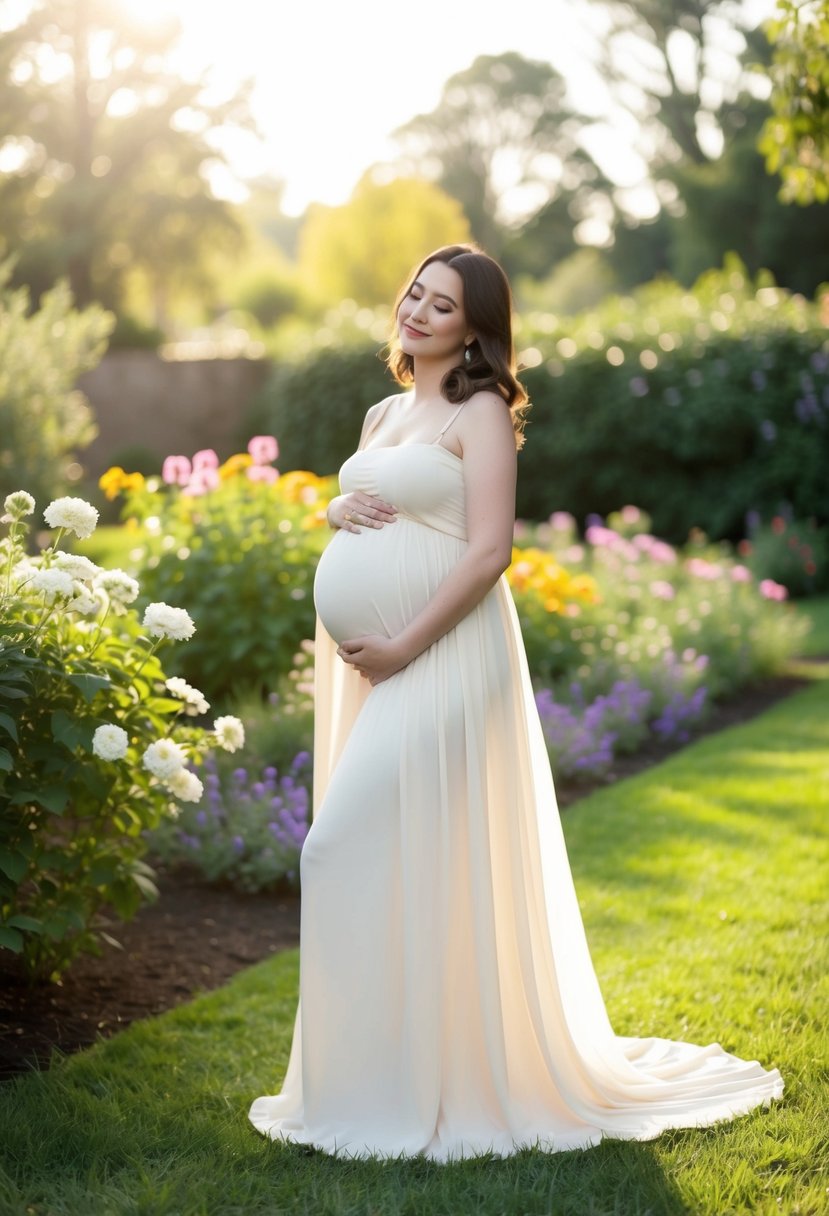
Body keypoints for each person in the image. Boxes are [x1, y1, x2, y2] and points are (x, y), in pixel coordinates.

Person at [248, 244, 782, 1162]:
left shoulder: (479, 409)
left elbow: (488, 548)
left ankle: (399, 1091)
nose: (416, 310)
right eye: (414, 290)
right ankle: (376, 1083)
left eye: (442, 304)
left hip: (444, 659)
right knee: (389, 857)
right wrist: (336, 515)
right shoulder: (383, 410)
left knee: (334, 846)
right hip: (386, 660)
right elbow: (384, 508)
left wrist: (405, 648)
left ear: (473, 329)